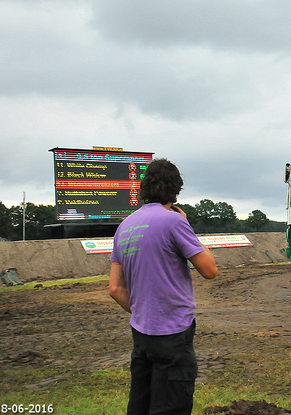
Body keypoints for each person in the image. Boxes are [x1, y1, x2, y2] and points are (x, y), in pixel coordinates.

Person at [109, 158, 218, 414]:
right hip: (173, 334)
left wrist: (142, 311)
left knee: (141, 403)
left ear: (145, 188)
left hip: (141, 334)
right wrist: (187, 226)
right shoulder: (175, 222)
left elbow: (114, 288)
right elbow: (210, 270)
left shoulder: (124, 227)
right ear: (175, 190)